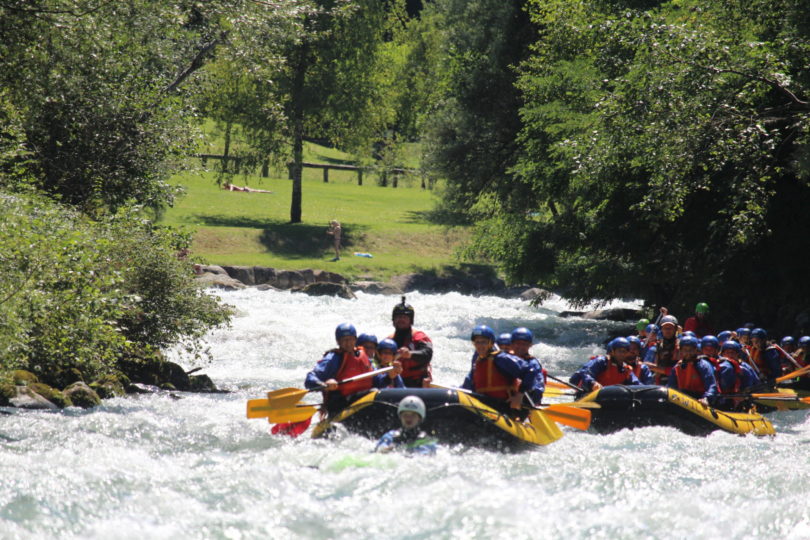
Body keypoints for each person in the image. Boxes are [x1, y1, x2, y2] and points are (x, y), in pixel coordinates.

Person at [305, 323, 404, 414]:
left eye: (351, 339)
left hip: (362, 400)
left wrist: (389, 376)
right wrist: (324, 384)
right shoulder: (333, 358)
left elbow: (378, 381)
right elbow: (310, 378)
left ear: (355, 340)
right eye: (344, 340)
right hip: (341, 404)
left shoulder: (363, 356)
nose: (348, 343)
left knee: (379, 392)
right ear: (338, 341)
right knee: (373, 392)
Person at [461, 325, 537, 413]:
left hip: (502, 407)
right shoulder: (478, 360)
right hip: (484, 404)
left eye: (484, 342)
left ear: (491, 343)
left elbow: (530, 371)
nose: (480, 345)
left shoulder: (501, 358)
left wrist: (519, 396)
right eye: (477, 342)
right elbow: (469, 382)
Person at [389, 297, 434, 388]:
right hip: (397, 383)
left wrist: (410, 354)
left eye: (405, 317)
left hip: (418, 383)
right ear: (393, 320)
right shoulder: (388, 341)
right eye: (398, 317)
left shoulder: (419, 337)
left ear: (411, 321)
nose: (401, 319)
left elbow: (427, 354)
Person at [570, 337, 641, 393]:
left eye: (624, 352)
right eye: (619, 351)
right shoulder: (601, 362)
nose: (622, 354)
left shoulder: (626, 369)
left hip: (609, 398)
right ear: (612, 352)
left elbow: (636, 383)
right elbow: (586, 372)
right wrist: (592, 383)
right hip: (589, 394)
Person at [667, 335, 718, 406]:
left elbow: (712, 386)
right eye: (685, 350)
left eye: (691, 350)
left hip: (699, 398)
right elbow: (671, 387)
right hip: (683, 399)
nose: (688, 353)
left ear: (696, 350)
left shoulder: (703, 365)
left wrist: (706, 398)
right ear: (681, 351)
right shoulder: (677, 367)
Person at [714, 340, 761, 411]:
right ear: (722, 354)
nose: (730, 355)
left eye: (732, 353)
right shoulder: (718, 364)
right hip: (721, 397)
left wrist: (743, 395)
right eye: (727, 353)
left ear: (737, 354)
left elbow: (755, 384)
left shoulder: (745, 369)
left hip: (739, 398)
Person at [509, 327, 546, 404]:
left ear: (530, 345)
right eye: (518, 343)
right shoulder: (504, 359)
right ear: (512, 344)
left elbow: (538, 385)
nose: (520, 347)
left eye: (524, 344)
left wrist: (529, 398)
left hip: (524, 399)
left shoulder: (533, 363)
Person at [645, 315, 680, 384]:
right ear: (661, 329)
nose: (667, 330)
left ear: (675, 329)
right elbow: (647, 365)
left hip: (676, 382)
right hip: (660, 382)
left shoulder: (680, 345)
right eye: (665, 328)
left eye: (670, 328)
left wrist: (656, 368)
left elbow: (679, 370)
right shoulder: (657, 346)